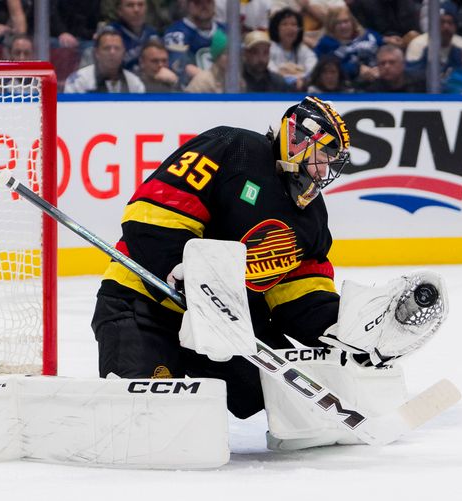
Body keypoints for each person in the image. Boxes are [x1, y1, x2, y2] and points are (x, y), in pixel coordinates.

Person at [91, 96, 351, 422]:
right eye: (321, 156)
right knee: (144, 422)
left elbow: (300, 291)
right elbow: (150, 212)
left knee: (277, 393)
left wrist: (342, 331)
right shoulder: (233, 149)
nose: (324, 170)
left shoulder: (310, 214)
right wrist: (177, 265)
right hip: (145, 304)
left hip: (222, 327)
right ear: (295, 139)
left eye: (330, 161)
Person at [314, 6, 383, 88]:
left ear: (353, 22)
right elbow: (324, 70)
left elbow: (388, 52)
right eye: (338, 23)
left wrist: (380, 69)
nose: (343, 26)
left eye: (346, 21)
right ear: (331, 26)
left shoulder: (370, 36)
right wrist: (357, 70)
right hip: (346, 88)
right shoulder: (325, 45)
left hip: (379, 80)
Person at [64, 26, 145, 93]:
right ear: (96, 53)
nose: (112, 52)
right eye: (107, 48)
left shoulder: (134, 84)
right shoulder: (78, 82)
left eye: (117, 48)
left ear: (123, 52)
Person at [163, 0, 225, 86]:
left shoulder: (226, 30)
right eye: (198, 2)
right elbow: (179, 65)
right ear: (187, 5)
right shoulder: (176, 33)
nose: (204, 6)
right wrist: (210, 81)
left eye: (208, 2)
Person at [406, 1, 462, 77]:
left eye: (450, 23)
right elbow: (411, 76)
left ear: (455, 26)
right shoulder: (417, 44)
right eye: (442, 22)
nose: (446, 27)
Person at [267, 7, 318, 91]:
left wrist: (296, 76)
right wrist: (295, 74)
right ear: (276, 29)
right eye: (285, 24)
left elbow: (313, 68)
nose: (290, 28)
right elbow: (270, 69)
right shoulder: (270, 47)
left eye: (294, 25)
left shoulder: (303, 49)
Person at [108, 0, 158, 72]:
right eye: (130, 5)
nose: (136, 10)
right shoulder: (110, 35)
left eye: (140, 5)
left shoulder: (152, 33)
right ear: (120, 11)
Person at [184, 28, 234, 93]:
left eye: (234, 53)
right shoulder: (203, 80)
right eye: (226, 53)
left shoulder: (237, 80)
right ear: (217, 57)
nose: (231, 58)